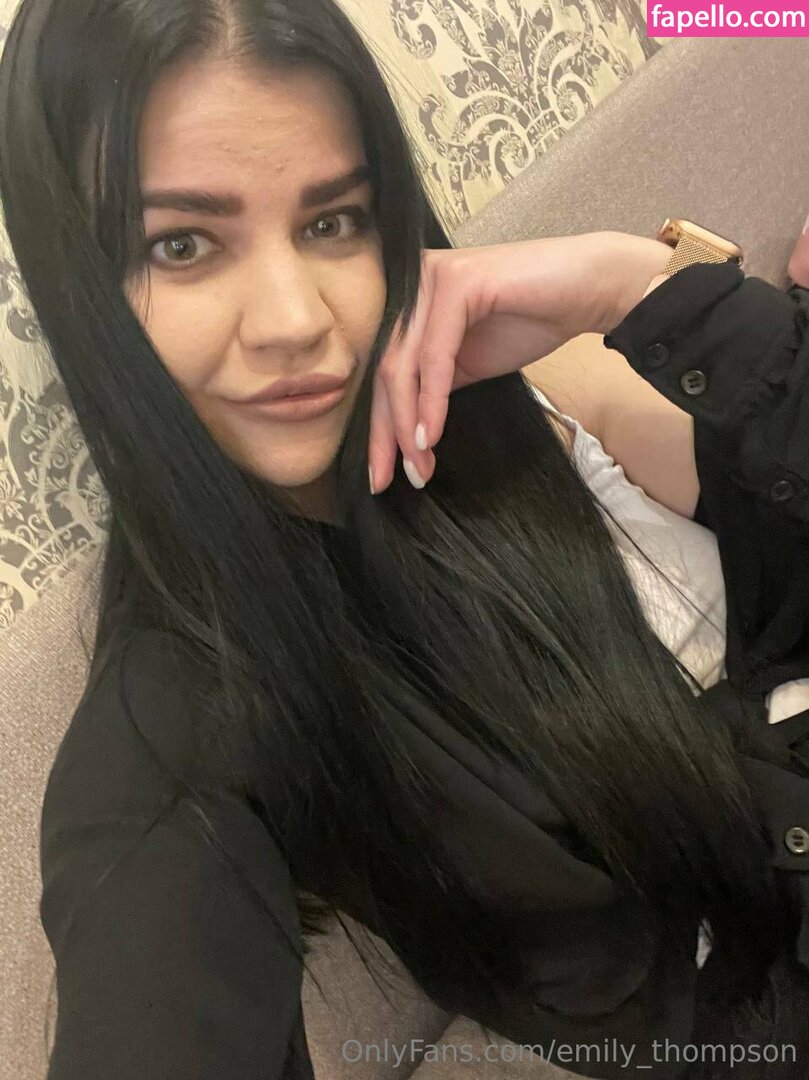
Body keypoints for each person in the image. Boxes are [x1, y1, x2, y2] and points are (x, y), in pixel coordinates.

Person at [0, 1, 806, 1078]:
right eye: (180, 244)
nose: (296, 320)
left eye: (333, 221)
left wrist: (630, 287)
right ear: (81, 287)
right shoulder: (172, 727)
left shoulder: (517, 392)